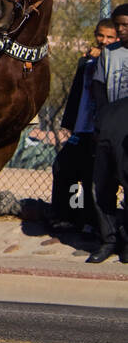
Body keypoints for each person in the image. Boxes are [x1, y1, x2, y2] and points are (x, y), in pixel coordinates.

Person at [52, 19, 117, 229]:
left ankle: (92, 222)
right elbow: (76, 94)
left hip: (103, 130)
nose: (104, 41)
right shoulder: (86, 61)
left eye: (110, 37)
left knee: (93, 178)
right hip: (82, 128)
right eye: (101, 36)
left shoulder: (116, 60)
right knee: (63, 167)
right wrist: (69, 124)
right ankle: (66, 217)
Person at [87, 4, 128, 263]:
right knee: (101, 183)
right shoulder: (109, 53)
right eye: (118, 25)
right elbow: (99, 88)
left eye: (126, 25)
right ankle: (109, 239)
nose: (121, 29)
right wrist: (101, 121)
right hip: (111, 121)